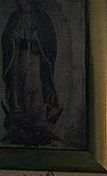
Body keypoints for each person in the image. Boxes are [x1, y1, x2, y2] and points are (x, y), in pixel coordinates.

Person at [1, 0, 62, 146]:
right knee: (19, 87)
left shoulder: (42, 18)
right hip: (18, 60)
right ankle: (20, 117)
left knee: (34, 87)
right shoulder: (14, 18)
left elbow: (49, 42)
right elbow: (6, 39)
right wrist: (14, 37)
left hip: (35, 60)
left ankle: (36, 119)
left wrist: (36, 39)